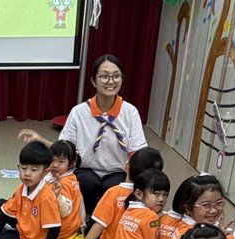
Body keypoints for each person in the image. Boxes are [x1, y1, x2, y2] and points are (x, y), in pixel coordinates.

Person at [17, 54, 148, 218]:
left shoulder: (130, 112)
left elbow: (139, 155)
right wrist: (40, 140)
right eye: (104, 76)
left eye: (116, 76)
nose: (111, 81)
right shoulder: (79, 112)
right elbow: (65, 149)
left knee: (115, 189)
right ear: (93, 81)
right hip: (86, 171)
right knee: (83, 183)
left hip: (118, 173)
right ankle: (85, 218)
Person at [76, 147, 164, 239]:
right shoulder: (151, 198)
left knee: (91, 226)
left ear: (127, 165)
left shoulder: (114, 192)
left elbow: (100, 224)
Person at [0, 142, 63, 239]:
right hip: (25, 224)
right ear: (18, 167)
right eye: (23, 168)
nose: (27, 174)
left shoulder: (46, 197)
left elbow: (55, 228)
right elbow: (6, 212)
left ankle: (10, 235)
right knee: (0, 204)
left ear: (45, 172)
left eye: (34, 170)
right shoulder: (21, 188)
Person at [109, 168, 168, 239]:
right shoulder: (151, 216)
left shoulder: (130, 208)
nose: (161, 199)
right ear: (138, 194)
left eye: (165, 195)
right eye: (156, 194)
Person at [48, 139, 84, 239]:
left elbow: (64, 211)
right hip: (71, 228)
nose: (55, 165)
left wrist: (58, 196)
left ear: (71, 164)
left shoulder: (62, 183)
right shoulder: (72, 177)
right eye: (52, 160)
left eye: (61, 161)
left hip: (60, 233)